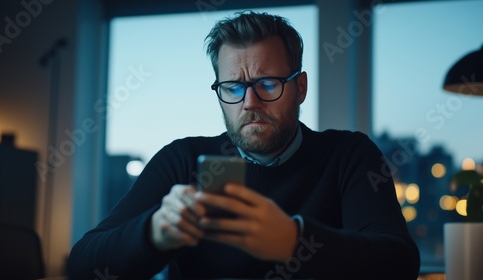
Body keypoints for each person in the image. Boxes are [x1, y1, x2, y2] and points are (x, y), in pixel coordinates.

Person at [67, 11, 420, 279]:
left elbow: (399, 262)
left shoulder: (348, 155)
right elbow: (82, 264)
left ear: (300, 88)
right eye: (233, 87)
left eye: (267, 83)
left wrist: (292, 241)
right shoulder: (182, 160)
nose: (249, 102)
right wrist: (154, 232)